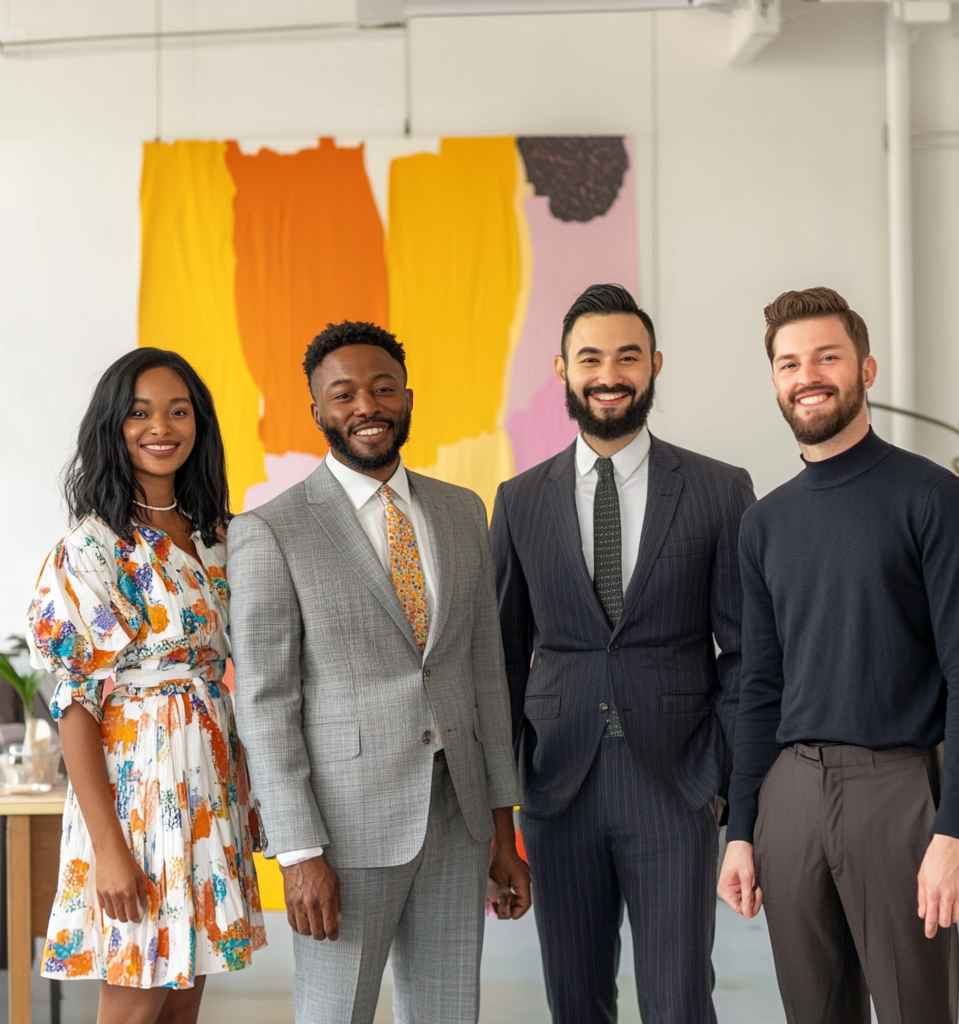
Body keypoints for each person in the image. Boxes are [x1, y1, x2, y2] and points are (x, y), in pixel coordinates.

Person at [228, 320, 530, 1024]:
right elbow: (267, 704)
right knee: (337, 1013)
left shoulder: (461, 512)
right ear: (317, 412)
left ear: (407, 398)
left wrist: (502, 829)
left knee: (450, 1012)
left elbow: (486, 674)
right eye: (344, 394)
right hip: (344, 830)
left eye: (382, 387)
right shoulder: (271, 529)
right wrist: (299, 853)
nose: (367, 405)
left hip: (459, 819)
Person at [718, 287, 959, 1024]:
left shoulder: (936, 499)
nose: (806, 374)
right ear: (776, 380)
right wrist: (743, 830)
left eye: (826, 357)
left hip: (899, 793)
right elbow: (760, 687)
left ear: (866, 370)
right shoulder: (765, 524)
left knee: (917, 1012)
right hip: (790, 797)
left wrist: (954, 830)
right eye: (789, 362)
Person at [491, 283, 755, 1023]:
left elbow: (743, 652)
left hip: (677, 783)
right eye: (591, 357)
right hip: (558, 785)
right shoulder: (518, 500)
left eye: (628, 356)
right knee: (575, 1000)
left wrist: (724, 777)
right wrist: (503, 800)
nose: (610, 373)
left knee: (678, 1000)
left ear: (655, 365)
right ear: (562, 370)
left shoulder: (718, 490)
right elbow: (505, 658)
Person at [27, 348, 265, 1024]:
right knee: (133, 1009)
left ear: (199, 424)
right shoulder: (94, 547)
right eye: (139, 411)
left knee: (180, 1007)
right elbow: (74, 702)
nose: (161, 426)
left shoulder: (218, 537)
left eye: (178, 410)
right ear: (113, 425)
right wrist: (108, 852)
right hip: (136, 805)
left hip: (207, 796)